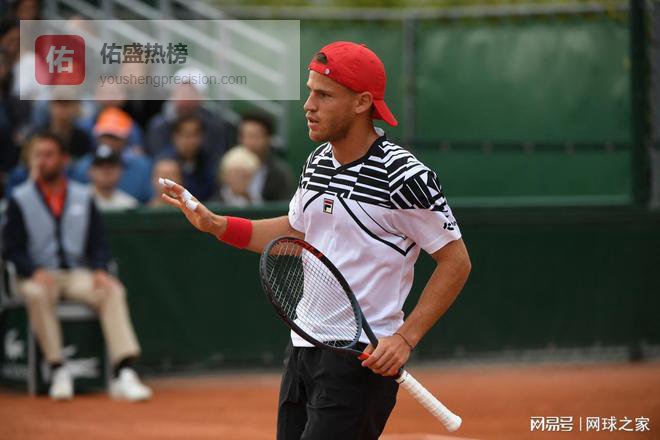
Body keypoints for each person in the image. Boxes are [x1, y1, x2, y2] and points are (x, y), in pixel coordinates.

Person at [160, 41, 471, 439]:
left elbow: (456, 261)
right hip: (303, 347)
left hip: (362, 358)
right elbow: (298, 231)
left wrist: (405, 338)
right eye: (310, 92)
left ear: (361, 103)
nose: (308, 105)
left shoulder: (405, 177)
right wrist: (218, 225)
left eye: (324, 95)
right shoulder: (317, 161)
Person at [1, 131, 152, 401]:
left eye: (49, 155)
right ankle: (57, 369)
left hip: (76, 274)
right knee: (37, 293)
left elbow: (98, 243)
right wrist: (33, 271)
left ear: (63, 159)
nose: (42, 161)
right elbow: (11, 249)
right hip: (37, 275)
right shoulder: (20, 198)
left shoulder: (83, 196)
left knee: (112, 290)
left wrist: (100, 270)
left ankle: (124, 371)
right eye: (38, 155)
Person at [145, 67, 234, 161]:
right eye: (181, 91)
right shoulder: (159, 125)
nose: (185, 96)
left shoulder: (215, 126)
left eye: (191, 92)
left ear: (201, 96)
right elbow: (157, 158)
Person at [72, 107, 152, 203]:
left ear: (125, 139)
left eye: (114, 137)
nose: (109, 142)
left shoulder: (142, 166)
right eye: (105, 136)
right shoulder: (84, 165)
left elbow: (149, 200)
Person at [157, 114, 215, 202]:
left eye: (195, 135)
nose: (190, 141)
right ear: (175, 137)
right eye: (186, 135)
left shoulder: (207, 160)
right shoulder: (165, 162)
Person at [238, 112, 293, 201]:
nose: (248, 142)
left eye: (254, 136)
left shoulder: (279, 173)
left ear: (268, 138)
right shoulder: (229, 167)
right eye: (244, 136)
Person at [88, 144, 138, 212]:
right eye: (100, 166)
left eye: (111, 166)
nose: (106, 170)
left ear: (121, 171)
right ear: (90, 171)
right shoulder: (80, 200)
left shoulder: (130, 205)